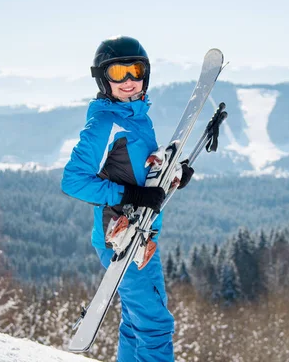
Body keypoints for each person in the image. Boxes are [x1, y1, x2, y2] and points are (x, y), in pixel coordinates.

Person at [61, 36, 193, 362]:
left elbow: (137, 168)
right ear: (103, 79)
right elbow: (74, 181)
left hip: (141, 234)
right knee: (155, 325)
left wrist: (173, 174)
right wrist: (131, 194)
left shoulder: (136, 116)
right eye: (119, 73)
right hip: (121, 238)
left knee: (136, 325)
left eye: (136, 71)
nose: (129, 80)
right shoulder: (106, 121)